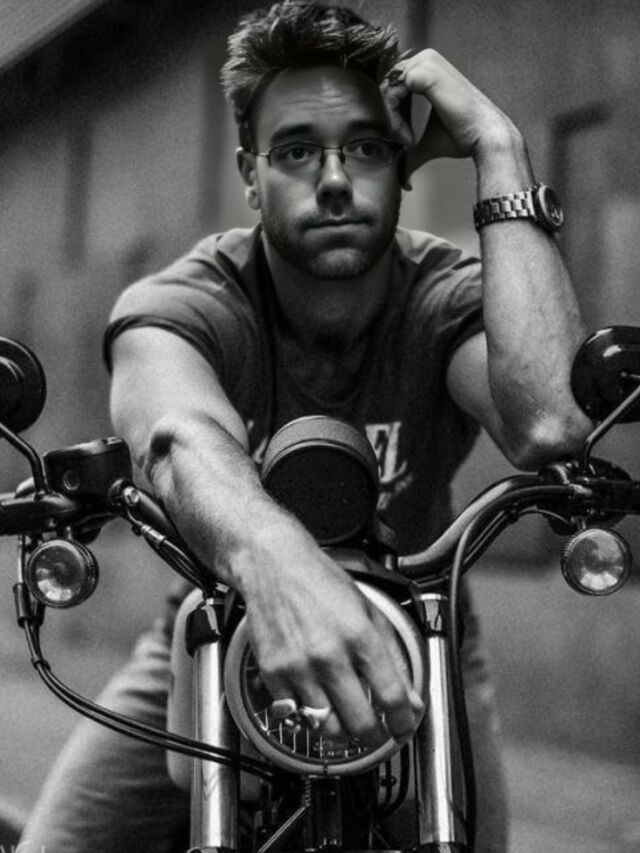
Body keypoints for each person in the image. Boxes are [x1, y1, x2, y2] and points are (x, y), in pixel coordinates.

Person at [21, 3, 592, 852]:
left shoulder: (446, 297)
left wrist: (498, 147)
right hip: (216, 617)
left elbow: (548, 421)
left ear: (403, 166)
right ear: (250, 174)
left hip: (423, 627)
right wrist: (280, 568)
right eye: (295, 151)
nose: (332, 179)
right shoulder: (190, 300)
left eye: (365, 148)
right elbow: (175, 435)